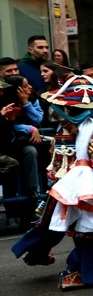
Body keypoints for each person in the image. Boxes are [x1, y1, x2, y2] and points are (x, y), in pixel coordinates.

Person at [10, 75, 93, 287]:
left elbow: (56, 166)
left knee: (81, 228)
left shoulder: (63, 130)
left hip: (71, 188)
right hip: (92, 190)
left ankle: (75, 267)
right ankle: (85, 270)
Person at [0, 76, 48, 227]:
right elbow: (10, 126)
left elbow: (38, 119)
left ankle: (32, 198)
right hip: (6, 146)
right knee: (10, 173)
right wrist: (27, 128)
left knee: (31, 152)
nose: (30, 88)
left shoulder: (33, 100)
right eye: (26, 86)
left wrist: (26, 104)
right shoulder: (5, 104)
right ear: (17, 90)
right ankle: (11, 214)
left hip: (26, 145)